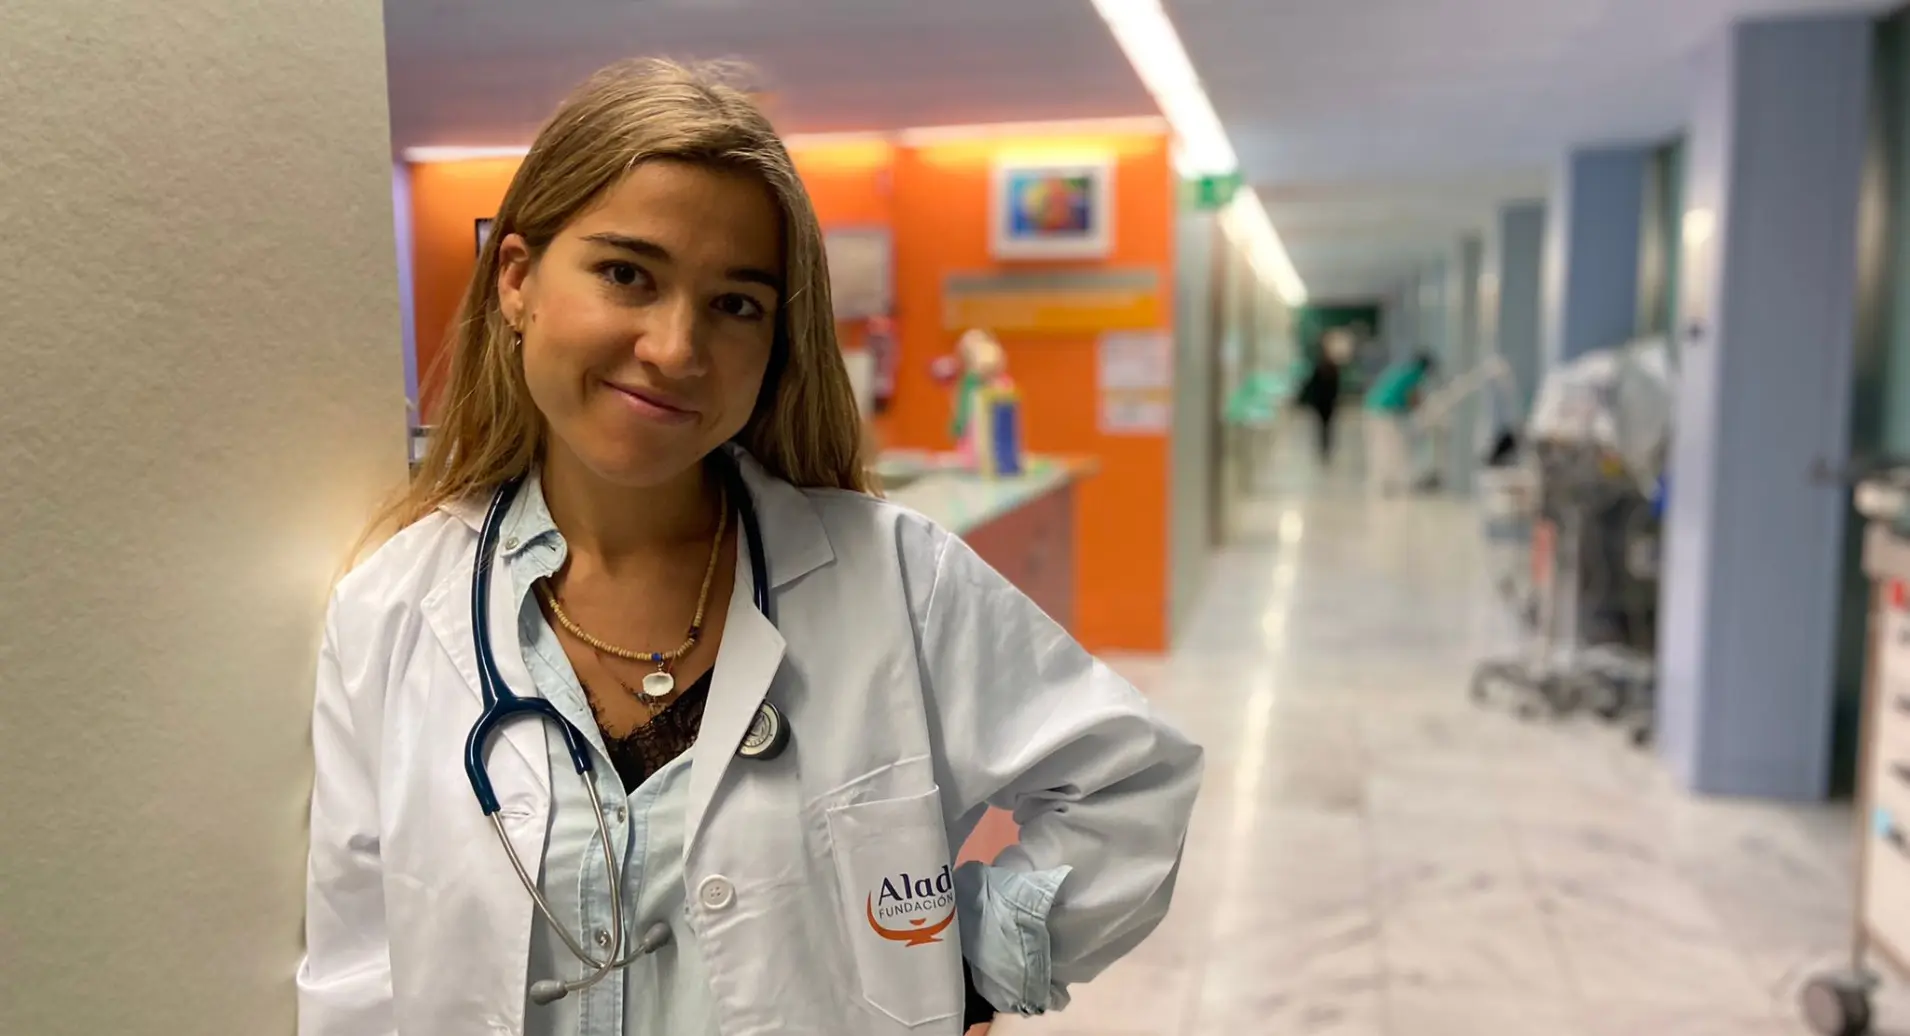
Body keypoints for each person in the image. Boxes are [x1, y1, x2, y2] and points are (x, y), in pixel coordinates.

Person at [297, 59, 1202, 1036]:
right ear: (516, 280)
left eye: (735, 304)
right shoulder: (392, 612)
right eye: (626, 274)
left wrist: (972, 970)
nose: (675, 348)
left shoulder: (895, 577)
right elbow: (357, 977)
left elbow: (1129, 784)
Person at [1364, 351, 1436, 495]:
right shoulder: (1414, 375)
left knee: (1382, 445)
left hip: (1374, 407)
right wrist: (1424, 413)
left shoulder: (1402, 370)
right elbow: (1413, 398)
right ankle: (1388, 482)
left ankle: (1383, 481)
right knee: (1391, 446)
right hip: (1385, 411)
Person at [1295, 345, 1342, 463]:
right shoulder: (1329, 369)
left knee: (1323, 426)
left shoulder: (1323, 369)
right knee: (1326, 426)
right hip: (1327, 403)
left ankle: (1324, 446)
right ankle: (1325, 446)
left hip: (1323, 403)